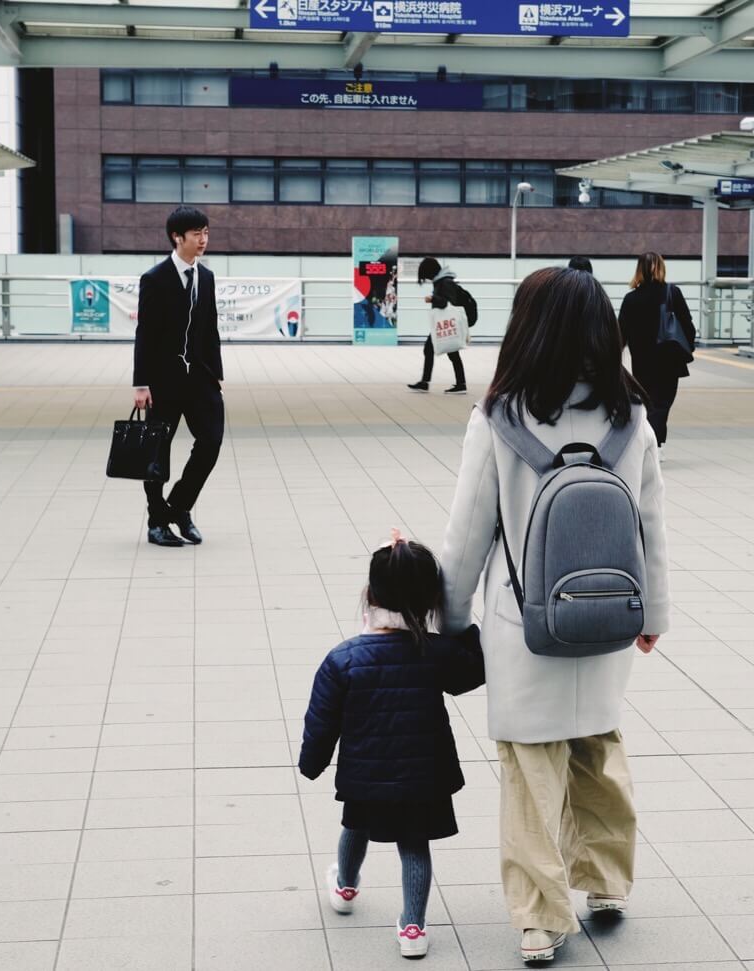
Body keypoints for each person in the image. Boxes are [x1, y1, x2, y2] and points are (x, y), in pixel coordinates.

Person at [438, 267, 671, 964]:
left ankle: (541, 919)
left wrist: (450, 623)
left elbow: (467, 534)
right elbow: (651, 527)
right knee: (598, 747)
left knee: (530, 768)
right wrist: (651, 611)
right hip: (605, 618)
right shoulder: (631, 417)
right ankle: (604, 882)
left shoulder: (500, 417)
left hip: (525, 625)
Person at [299, 533, 484, 960]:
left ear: (371, 594)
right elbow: (473, 670)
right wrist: (465, 626)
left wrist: (312, 763)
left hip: (366, 773)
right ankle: (413, 928)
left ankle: (345, 886)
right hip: (424, 775)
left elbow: (321, 719)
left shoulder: (344, 658)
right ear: (430, 600)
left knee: (356, 826)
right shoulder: (435, 652)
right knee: (414, 845)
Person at [132, 206, 223, 547]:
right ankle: (157, 523)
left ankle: (179, 508)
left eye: (206, 233)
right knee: (159, 454)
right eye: (197, 234)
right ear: (177, 237)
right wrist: (140, 383)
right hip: (163, 383)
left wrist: (216, 373)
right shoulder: (155, 279)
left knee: (211, 442)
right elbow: (145, 334)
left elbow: (209, 328)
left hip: (201, 379)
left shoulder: (207, 277)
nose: (204, 240)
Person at [618, 252, 696, 448]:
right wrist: (688, 348)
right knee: (663, 403)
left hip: (642, 361)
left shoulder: (630, 299)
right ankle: (656, 444)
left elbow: (621, 333)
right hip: (669, 359)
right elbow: (688, 325)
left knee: (647, 402)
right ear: (661, 268)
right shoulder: (672, 293)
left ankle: (649, 442)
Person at [408, 257, 469, 395]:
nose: (427, 279)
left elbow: (447, 303)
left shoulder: (445, 282)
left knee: (447, 352)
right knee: (438, 351)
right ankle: (428, 382)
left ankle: (458, 384)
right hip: (443, 324)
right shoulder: (441, 281)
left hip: (447, 324)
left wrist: (433, 298)